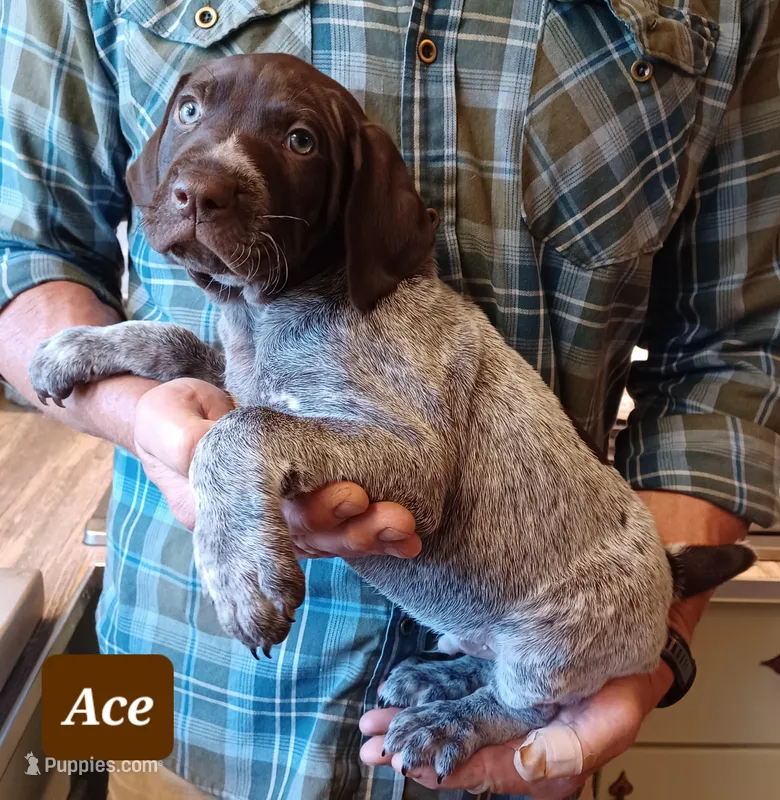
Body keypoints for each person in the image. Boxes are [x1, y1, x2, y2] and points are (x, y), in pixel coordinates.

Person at [1, 0, 778, 798]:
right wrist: (136, 402)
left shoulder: (393, 314)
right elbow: (20, 248)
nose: (203, 175)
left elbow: (735, 345)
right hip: (175, 680)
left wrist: (649, 647)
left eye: (299, 140)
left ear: (356, 205)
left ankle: (496, 700)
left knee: (533, 658)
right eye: (192, 112)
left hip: (530, 699)